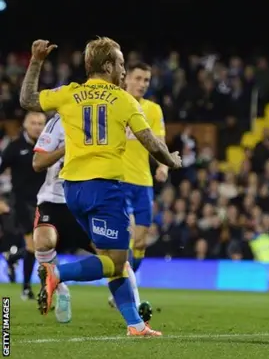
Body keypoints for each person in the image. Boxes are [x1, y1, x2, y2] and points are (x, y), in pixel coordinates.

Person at [19, 38, 181, 336]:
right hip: (104, 189)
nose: (123, 70)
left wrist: (37, 62)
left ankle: (134, 324)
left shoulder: (70, 93)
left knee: (113, 258)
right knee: (118, 260)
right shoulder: (123, 100)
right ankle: (57, 273)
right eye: (120, 63)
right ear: (107, 66)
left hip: (72, 189)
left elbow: (28, 100)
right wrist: (171, 161)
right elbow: (151, 143)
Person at [32, 114, 143, 324]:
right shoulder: (59, 121)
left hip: (88, 200)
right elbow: (37, 163)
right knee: (43, 241)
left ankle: (137, 310)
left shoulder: (106, 119)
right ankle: (61, 290)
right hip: (54, 200)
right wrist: (69, 147)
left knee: (115, 257)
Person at [107, 62, 167, 308]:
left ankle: (125, 280)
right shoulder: (115, 103)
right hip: (118, 180)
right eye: (139, 78)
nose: (142, 84)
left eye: (146, 80)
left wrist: (163, 166)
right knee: (125, 238)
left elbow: (159, 142)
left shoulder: (153, 110)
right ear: (126, 79)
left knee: (140, 242)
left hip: (143, 182)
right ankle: (123, 287)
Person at [0, 111, 46, 300]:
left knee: (42, 246)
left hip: (45, 202)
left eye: (41, 123)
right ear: (26, 125)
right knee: (34, 244)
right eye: (33, 123)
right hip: (22, 203)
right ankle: (27, 288)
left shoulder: (49, 147)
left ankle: (14, 257)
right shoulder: (15, 147)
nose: (37, 127)